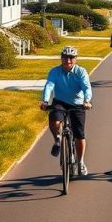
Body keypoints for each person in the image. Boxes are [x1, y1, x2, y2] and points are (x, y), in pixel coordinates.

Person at [40, 46, 93, 176]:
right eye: (65, 57)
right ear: (61, 58)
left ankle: (80, 162)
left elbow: (87, 88)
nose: (68, 60)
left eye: (71, 57)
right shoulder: (55, 72)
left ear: (75, 59)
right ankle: (57, 140)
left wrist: (87, 101)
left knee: (79, 135)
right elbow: (49, 86)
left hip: (78, 104)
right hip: (60, 102)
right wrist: (45, 101)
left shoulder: (81, 72)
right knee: (54, 119)